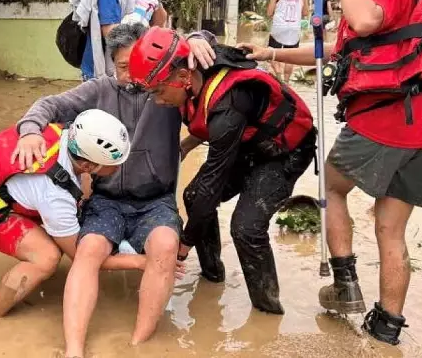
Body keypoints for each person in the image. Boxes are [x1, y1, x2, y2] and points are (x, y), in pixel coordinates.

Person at [239, 0, 422, 345]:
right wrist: (270, 53)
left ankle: (345, 286)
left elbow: (364, 21)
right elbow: (333, 48)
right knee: (390, 228)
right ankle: (385, 329)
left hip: (386, 119)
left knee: (332, 185)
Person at [11, 22, 215, 357]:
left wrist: (196, 38)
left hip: (156, 200)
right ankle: (74, 349)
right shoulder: (98, 90)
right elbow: (50, 105)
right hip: (106, 200)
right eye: (124, 67)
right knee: (89, 249)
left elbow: (204, 53)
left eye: (140, 67)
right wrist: (30, 130)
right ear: (111, 64)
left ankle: (138, 345)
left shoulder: (167, 85)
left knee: (165, 244)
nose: (136, 77)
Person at [127, 26, 317, 314]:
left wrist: (184, 245)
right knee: (192, 197)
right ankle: (212, 276)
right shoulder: (196, 63)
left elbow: (213, 184)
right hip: (248, 142)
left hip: (284, 151)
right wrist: (190, 143)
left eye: (158, 91)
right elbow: (202, 43)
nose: (157, 100)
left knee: (246, 227)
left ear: (182, 78)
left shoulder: (229, 104)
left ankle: (267, 312)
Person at [0, 109, 143, 318]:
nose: (118, 169)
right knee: (46, 257)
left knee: (83, 193)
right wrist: (139, 261)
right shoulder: (54, 196)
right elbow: (82, 257)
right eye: (114, 165)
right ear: (87, 164)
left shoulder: (66, 133)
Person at [266, 0, 309, 84]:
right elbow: (305, 13)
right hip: (294, 28)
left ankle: (278, 75)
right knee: (290, 56)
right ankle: (286, 82)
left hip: (278, 28)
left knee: (272, 53)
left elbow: (269, 13)